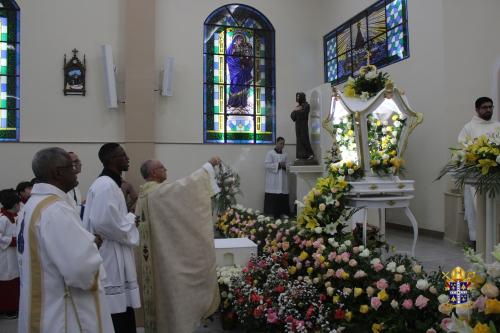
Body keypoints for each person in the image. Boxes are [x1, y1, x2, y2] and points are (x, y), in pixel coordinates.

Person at [17, 147, 114, 333]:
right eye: (72, 166)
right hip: (62, 314)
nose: (76, 170)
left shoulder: (33, 204)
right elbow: (80, 270)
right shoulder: (56, 210)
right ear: (57, 173)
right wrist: (92, 247)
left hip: (43, 303)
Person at [135, 157, 221, 333]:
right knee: (173, 299)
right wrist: (208, 166)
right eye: (161, 167)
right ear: (153, 173)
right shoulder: (157, 194)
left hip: (158, 259)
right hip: (167, 262)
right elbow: (187, 187)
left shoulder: (145, 194)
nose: (165, 169)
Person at [82, 143, 140, 333]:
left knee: (122, 309)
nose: (128, 158)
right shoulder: (106, 186)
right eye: (123, 155)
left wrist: (127, 221)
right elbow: (104, 223)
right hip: (109, 254)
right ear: (112, 160)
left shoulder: (110, 184)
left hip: (115, 250)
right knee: (115, 312)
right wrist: (131, 220)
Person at [458, 97, 500, 243]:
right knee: (476, 212)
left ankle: (494, 242)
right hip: (476, 178)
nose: (488, 110)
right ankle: (477, 242)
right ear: (476, 110)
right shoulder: (469, 127)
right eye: (484, 107)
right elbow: (463, 148)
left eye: (490, 107)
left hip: (495, 178)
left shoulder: (497, 126)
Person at [0, 189, 21, 319]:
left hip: (13, 254)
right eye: (18, 203)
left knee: (14, 279)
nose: (20, 205)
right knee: (7, 280)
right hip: (5, 255)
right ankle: (7, 309)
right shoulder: (3, 219)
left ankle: (13, 306)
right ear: (13, 204)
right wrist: (11, 241)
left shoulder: (14, 217)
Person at [226, 33, 253, 114]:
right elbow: (229, 58)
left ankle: (242, 103)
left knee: (243, 85)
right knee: (235, 83)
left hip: (243, 70)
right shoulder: (232, 47)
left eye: (242, 39)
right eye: (239, 39)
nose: (241, 41)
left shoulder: (244, 48)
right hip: (235, 69)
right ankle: (233, 103)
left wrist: (246, 61)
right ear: (236, 40)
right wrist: (238, 60)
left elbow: (248, 57)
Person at [264, 137, 290, 218]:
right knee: (273, 196)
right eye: (280, 143)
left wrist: (285, 166)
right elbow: (267, 165)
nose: (282, 145)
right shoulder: (270, 153)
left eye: (283, 144)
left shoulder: (285, 154)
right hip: (273, 179)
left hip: (283, 179)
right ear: (276, 143)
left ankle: (283, 213)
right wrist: (278, 165)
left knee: (282, 195)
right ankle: (271, 213)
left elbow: (289, 165)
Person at [291, 92, 315, 161]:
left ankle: (310, 154)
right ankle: (300, 156)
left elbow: (303, 114)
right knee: (299, 140)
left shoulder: (307, 105)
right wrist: (295, 110)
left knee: (304, 139)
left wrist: (297, 111)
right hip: (297, 126)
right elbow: (292, 117)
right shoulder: (298, 107)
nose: (297, 98)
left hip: (303, 125)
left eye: (298, 97)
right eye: (297, 97)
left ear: (302, 97)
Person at [67, 152, 84, 217]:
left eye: (79, 161)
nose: (80, 164)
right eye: (76, 161)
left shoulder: (75, 186)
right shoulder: (63, 186)